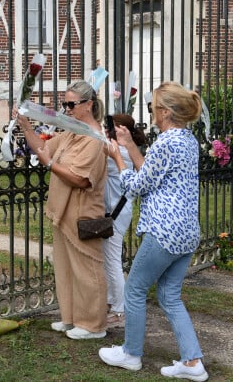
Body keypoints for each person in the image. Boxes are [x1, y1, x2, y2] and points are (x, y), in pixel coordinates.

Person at [98, 81, 209, 381]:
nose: (151, 112)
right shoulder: (186, 140)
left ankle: (131, 353)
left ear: (165, 111)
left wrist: (117, 156)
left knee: (134, 290)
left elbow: (135, 186)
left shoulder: (165, 143)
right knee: (170, 296)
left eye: (153, 107)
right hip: (186, 232)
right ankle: (192, 363)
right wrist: (131, 146)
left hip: (164, 231)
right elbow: (151, 172)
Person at [14, 80, 108, 339]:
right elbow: (43, 148)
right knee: (66, 268)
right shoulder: (72, 132)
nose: (66, 109)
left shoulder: (94, 138)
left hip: (83, 212)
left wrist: (49, 164)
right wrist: (25, 125)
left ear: (88, 105)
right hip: (62, 211)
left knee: (87, 269)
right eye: (64, 104)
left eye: (71, 104)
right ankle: (71, 318)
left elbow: (79, 178)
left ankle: (93, 325)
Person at [103, 114, 147, 328]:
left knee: (112, 260)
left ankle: (121, 310)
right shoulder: (124, 150)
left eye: (107, 127)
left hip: (116, 212)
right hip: (118, 210)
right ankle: (112, 301)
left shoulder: (118, 152)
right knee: (109, 259)